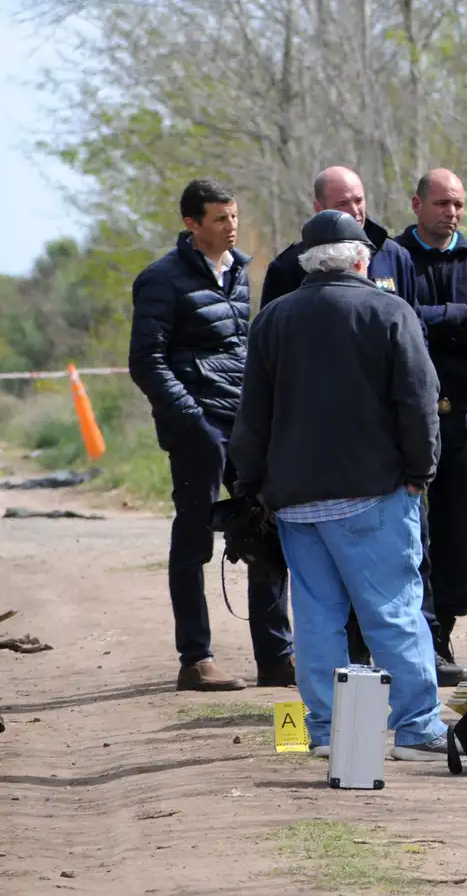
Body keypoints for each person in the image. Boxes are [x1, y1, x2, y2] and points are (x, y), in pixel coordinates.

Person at [229, 210, 448, 761]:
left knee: (318, 618)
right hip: (375, 493)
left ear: (307, 262)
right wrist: (421, 474)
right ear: (360, 259)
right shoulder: (389, 311)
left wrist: (250, 485)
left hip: (297, 503)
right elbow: (419, 403)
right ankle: (418, 728)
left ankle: (326, 732)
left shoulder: (274, 319)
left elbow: (252, 415)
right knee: (393, 611)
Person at [128, 178, 293, 691]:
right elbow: (146, 362)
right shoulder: (160, 279)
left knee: (265, 528)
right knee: (194, 536)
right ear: (191, 223)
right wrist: (191, 421)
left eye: (234, 216)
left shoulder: (240, 273)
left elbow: (241, 352)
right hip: (195, 425)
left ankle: (275, 657)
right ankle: (195, 659)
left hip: (243, 421)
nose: (231, 226)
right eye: (220, 219)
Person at [396, 169, 467, 678]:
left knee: (455, 534)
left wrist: (434, 317)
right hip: (406, 419)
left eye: (457, 204)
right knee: (412, 534)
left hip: (466, 419)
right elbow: (398, 319)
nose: (449, 212)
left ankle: (443, 635)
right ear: (416, 204)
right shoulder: (393, 258)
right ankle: (414, 634)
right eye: (440, 203)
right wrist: (459, 314)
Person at [259, 166, 417, 308]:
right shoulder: (290, 266)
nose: (355, 211)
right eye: (342, 204)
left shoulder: (394, 256)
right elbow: (271, 332)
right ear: (319, 208)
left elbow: (413, 323)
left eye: (358, 200)